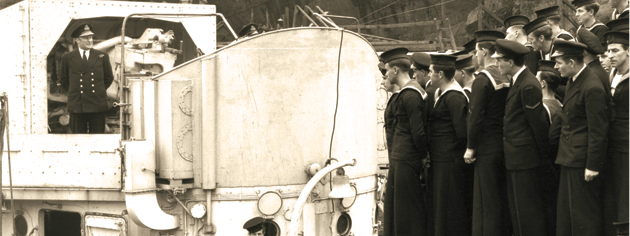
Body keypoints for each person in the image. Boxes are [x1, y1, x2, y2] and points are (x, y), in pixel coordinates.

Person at [549, 40, 608, 236]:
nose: (556, 67)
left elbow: (598, 131)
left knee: (583, 215)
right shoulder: (575, 80)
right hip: (570, 156)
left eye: (559, 62)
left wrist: (592, 165)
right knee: (570, 213)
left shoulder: (591, 87)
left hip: (582, 161)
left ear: (572, 62)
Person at [493, 39, 551, 236]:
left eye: (499, 60)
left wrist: (543, 156)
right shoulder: (518, 81)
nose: (497, 64)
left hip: (525, 160)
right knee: (518, 210)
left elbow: (538, 125)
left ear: (510, 62)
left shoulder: (527, 85)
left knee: (528, 212)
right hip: (517, 159)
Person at [465, 30, 512, 236]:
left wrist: (470, 147)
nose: (475, 56)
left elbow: (475, 116)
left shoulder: (482, 79)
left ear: (484, 51)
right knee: (501, 198)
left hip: (485, 146)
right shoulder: (507, 75)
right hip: (504, 142)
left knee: (487, 200)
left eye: (476, 52)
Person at [381, 47, 429, 236]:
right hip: (402, 158)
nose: (385, 74)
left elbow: (418, 132)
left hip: (406, 158)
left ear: (395, 70)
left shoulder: (410, 94)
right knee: (401, 208)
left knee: (408, 209)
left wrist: (423, 156)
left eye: (386, 70)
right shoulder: (408, 93)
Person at [427, 53, 470, 236]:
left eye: (431, 72)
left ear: (440, 74)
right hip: (442, 159)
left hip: (449, 161)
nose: (429, 75)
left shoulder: (454, 97)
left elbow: (461, 132)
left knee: (451, 207)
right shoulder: (444, 94)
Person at [59, 23, 114, 134]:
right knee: (78, 139)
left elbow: (108, 78)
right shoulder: (68, 57)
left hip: (97, 105)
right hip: (77, 106)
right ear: (77, 40)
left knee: (97, 137)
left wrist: (97, 90)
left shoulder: (102, 56)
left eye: (91, 37)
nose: (90, 40)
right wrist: (75, 92)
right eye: (85, 38)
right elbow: (64, 79)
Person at [604, 29, 629, 235]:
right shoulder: (612, 74)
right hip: (612, 142)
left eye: (615, 50)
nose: (610, 55)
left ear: (628, 51)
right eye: (608, 51)